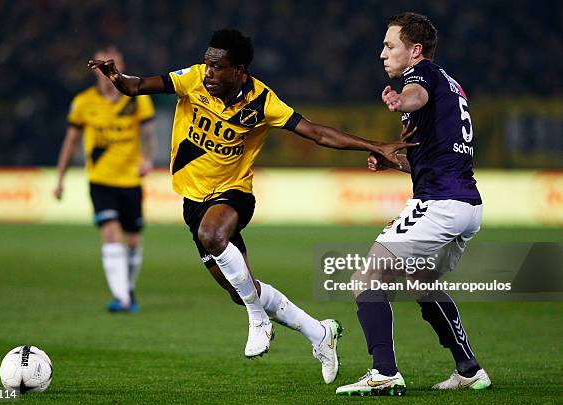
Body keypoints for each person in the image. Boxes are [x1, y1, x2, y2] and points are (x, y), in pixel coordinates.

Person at [88, 29, 414, 383]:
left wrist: (376, 146)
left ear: (239, 71)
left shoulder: (262, 101)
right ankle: (320, 333)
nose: (208, 72)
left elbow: (317, 133)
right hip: (193, 201)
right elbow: (136, 87)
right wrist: (117, 77)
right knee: (239, 289)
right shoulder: (192, 79)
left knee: (213, 236)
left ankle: (258, 320)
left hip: (233, 194)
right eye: (208, 63)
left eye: (217, 66)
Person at [336, 12, 491, 396]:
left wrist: (399, 100)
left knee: (366, 279)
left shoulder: (421, 76)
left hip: (439, 203)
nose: (382, 53)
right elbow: (428, 157)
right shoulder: (451, 86)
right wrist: (393, 161)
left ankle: (384, 373)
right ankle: (469, 370)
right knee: (423, 283)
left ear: (415, 50)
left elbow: (415, 95)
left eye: (390, 46)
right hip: (467, 206)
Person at [54, 46, 156, 313]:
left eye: (114, 64)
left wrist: (148, 159)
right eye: (103, 66)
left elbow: (148, 133)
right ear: (95, 70)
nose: (108, 70)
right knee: (110, 233)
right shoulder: (83, 102)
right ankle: (121, 298)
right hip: (100, 180)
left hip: (130, 180)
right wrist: (60, 177)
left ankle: (127, 291)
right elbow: (71, 141)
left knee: (132, 241)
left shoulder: (137, 98)